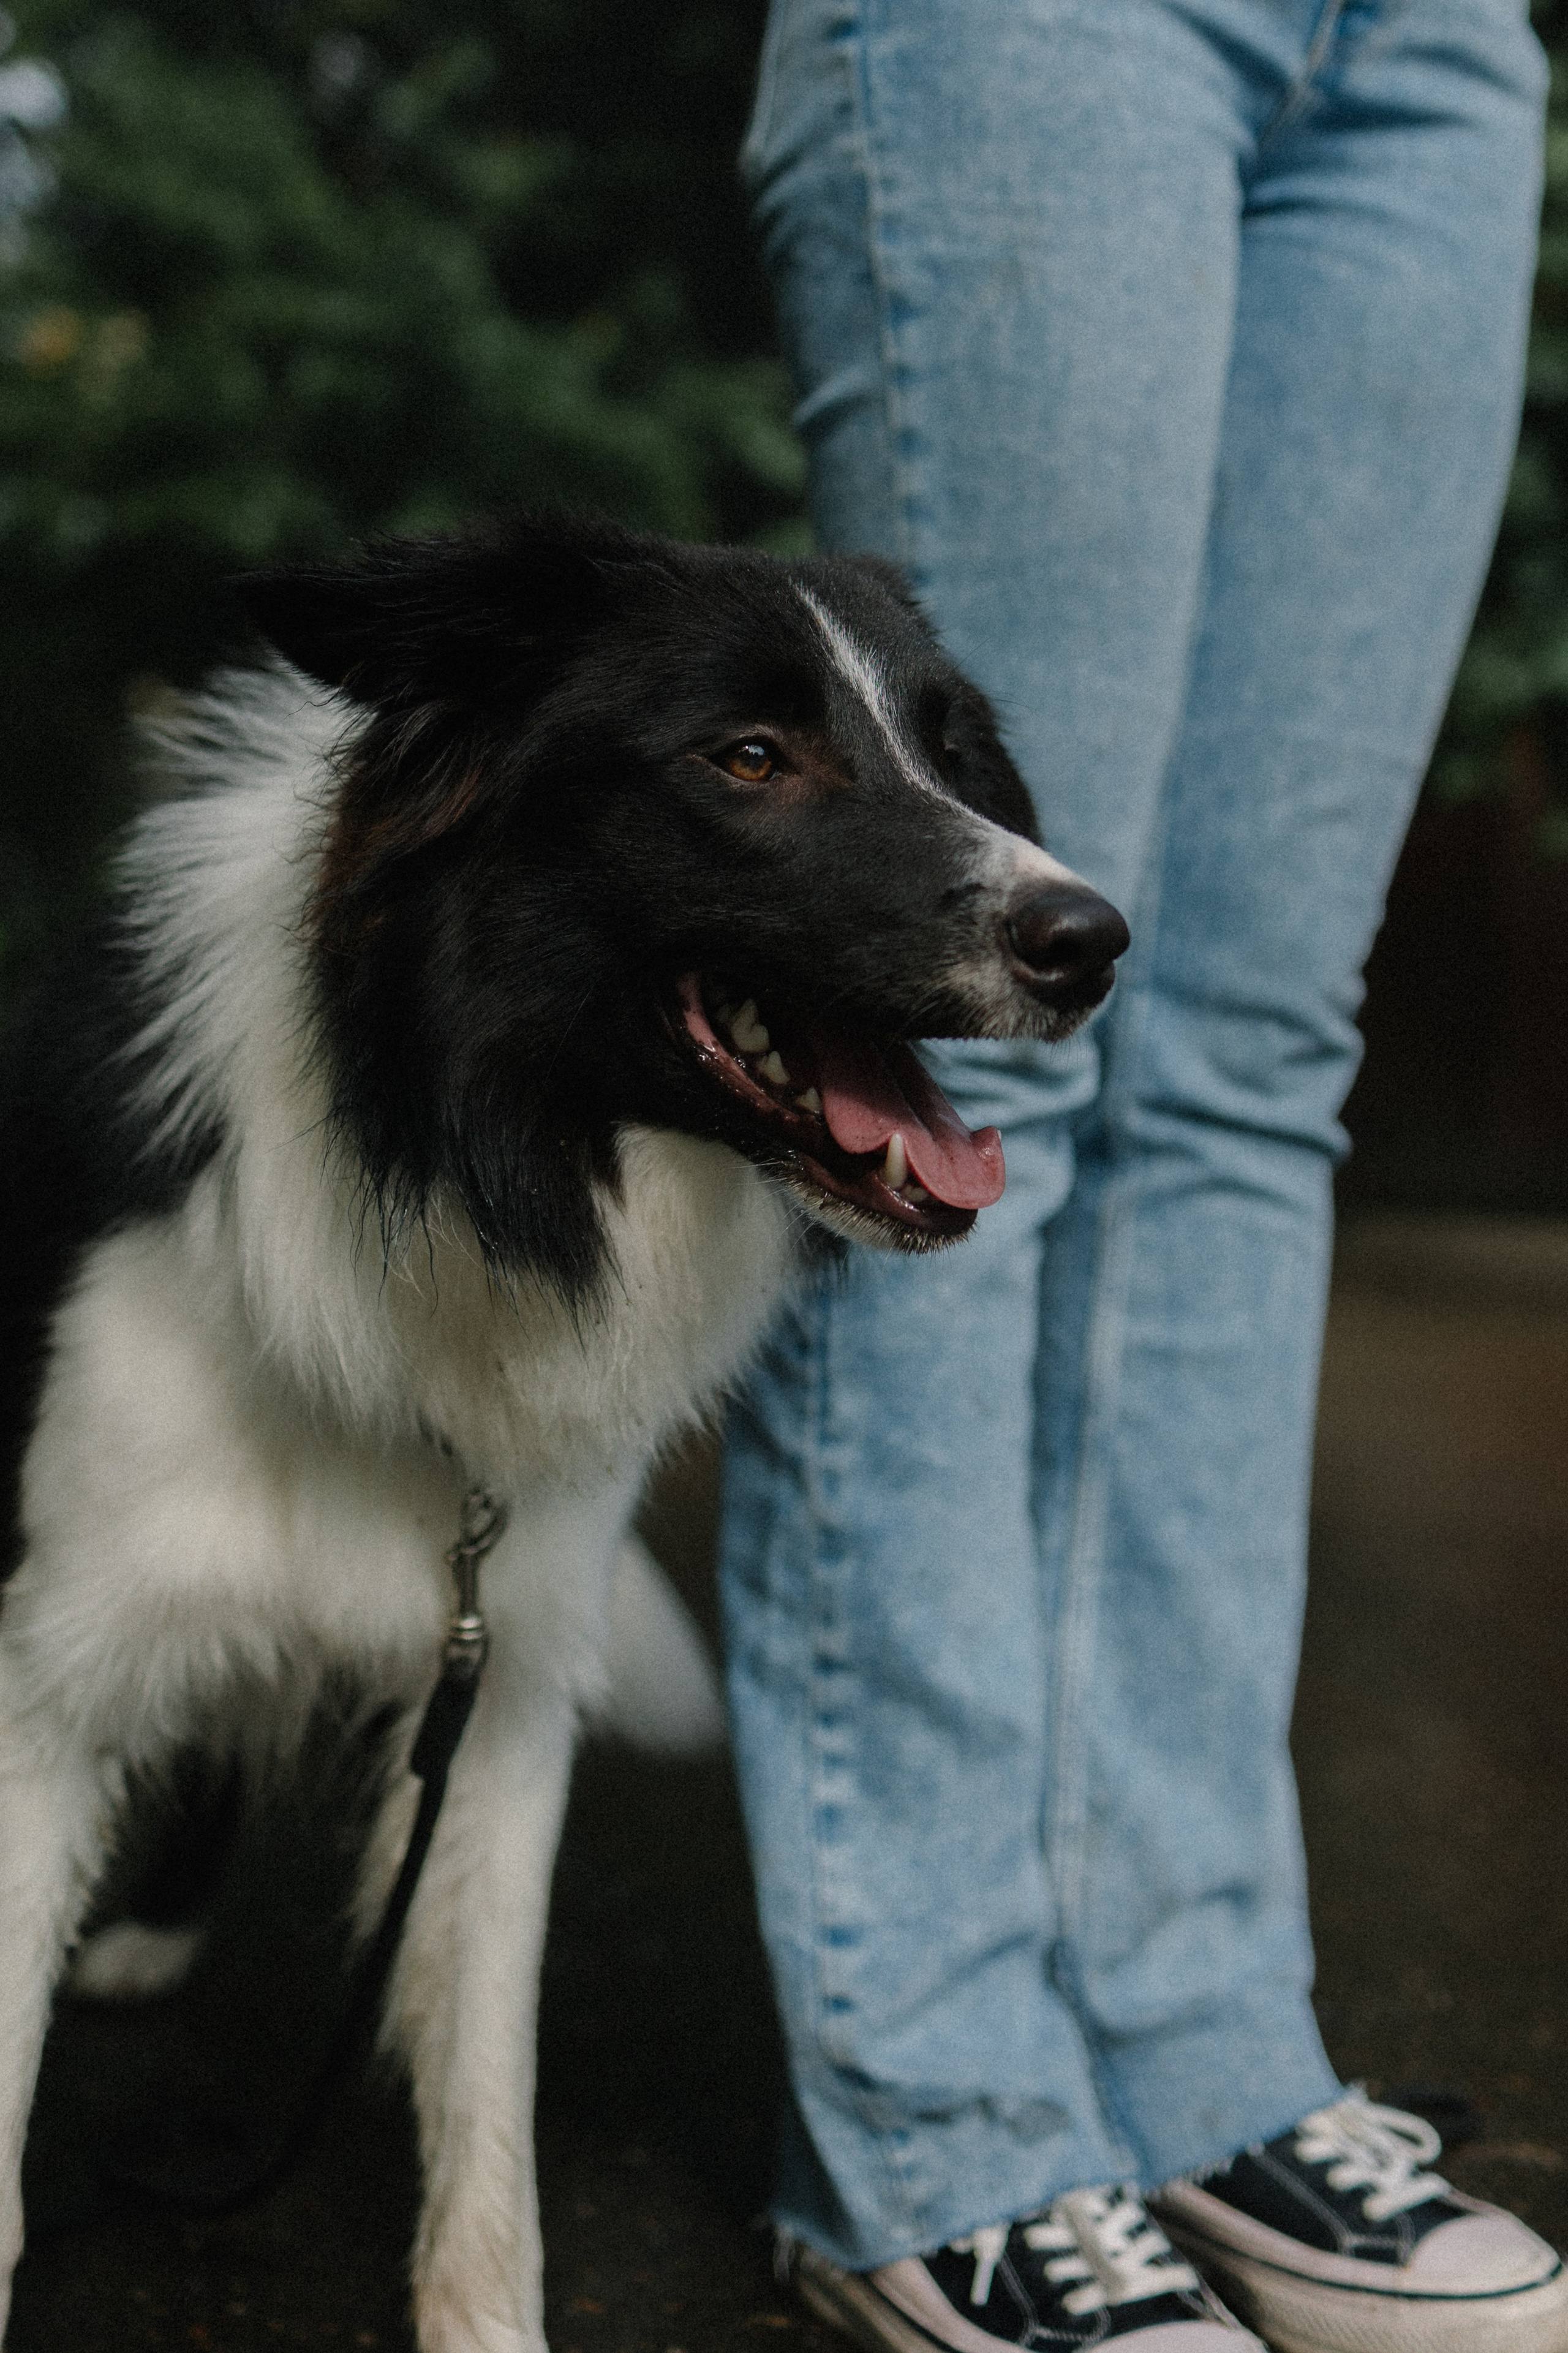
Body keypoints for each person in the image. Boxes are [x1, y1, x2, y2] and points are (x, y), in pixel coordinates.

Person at [717, 2, 1563, 2346]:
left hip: (1434, 43)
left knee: (1247, 1066)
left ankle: (1198, 2049)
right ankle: (940, 2117)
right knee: (990, 1058)